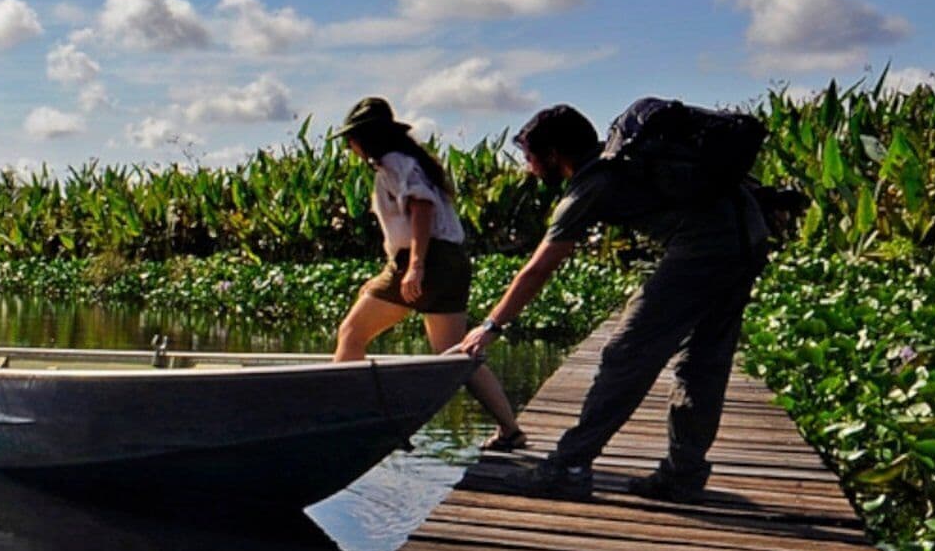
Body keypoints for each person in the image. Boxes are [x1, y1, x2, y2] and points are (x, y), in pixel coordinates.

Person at [454, 100, 771, 501]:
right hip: (748, 237)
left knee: (626, 353)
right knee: (703, 363)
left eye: (531, 158)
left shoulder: (595, 182)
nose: (528, 168)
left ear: (554, 155)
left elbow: (537, 269)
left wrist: (490, 326)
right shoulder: (629, 159)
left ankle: (569, 466)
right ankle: (683, 474)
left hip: (706, 249)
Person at [327, 96, 525, 450]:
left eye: (351, 138)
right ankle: (510, 429)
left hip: (427, 260)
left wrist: (415, 266)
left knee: (352, 333)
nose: (349, 145)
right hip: (449, 261)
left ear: (365, 138)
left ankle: (338, 417)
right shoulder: (412, 161)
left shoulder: (392, 163)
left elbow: (421, 209)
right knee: (456, 351)